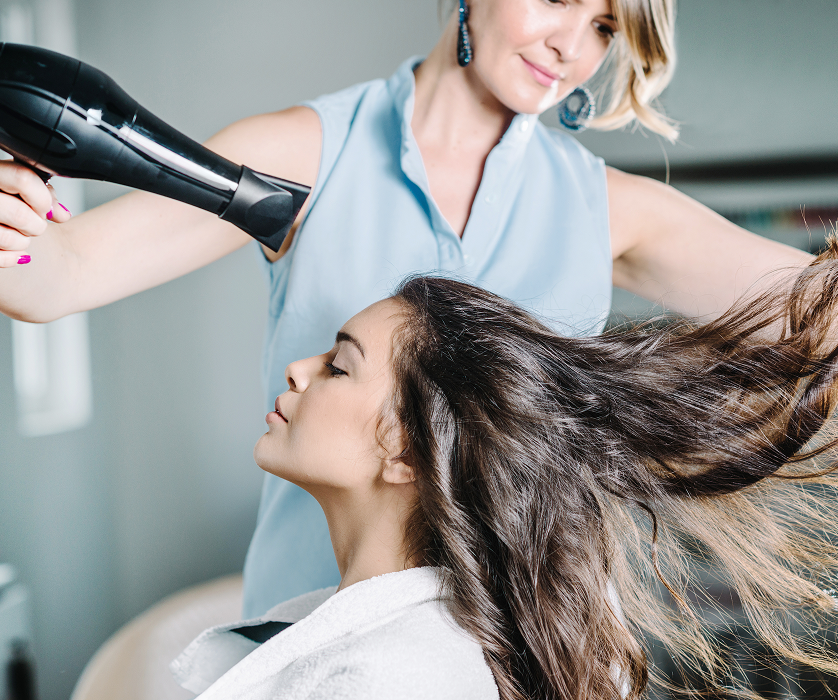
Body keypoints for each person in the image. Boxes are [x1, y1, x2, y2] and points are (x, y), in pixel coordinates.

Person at [0, 0, 813, 617]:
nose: (575, 46)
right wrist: (16, 224)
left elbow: (818, 310)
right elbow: (55, 275)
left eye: (605, 25)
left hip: (524, 640)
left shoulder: (612, 210)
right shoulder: (303, 155)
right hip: (307, 627)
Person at [172, 246, 838, 700]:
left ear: (408, 451)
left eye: (338, 365)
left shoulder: (387, 678)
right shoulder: (403, 645)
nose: (298, 369)